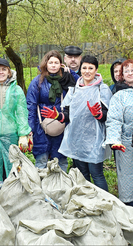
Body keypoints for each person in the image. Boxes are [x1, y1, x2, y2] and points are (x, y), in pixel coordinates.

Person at [43, 55, 112, 191]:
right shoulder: (74, 89)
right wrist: (58, 116)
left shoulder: (102, 90)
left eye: (90, 68)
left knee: (97, 174)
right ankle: (87, 201)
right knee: (82, 174)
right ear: (80, 69)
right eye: (84, 68)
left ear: (96, 70)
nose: (87, 71)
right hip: (77, 140)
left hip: (94, 141)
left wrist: (98, 114)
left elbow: (108, 115)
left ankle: (104, 203)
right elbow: (68, 115)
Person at [105, 59, 133, 214]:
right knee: (129, 179)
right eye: (126, 71)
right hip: (126, 144)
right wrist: (114, 140)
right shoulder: (119, 96)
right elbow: (114, 120)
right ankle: (132, 213)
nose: (130, 73)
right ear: (121, 75)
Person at [26, 50, 76, 172]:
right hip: (41, 127)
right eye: (51, 62)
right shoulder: (37, 82)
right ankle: (41, 187)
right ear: (46, 64)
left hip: (61, 125)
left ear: (61, 64)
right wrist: (30, 129)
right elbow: (31, 106)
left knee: (61, 161)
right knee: (41, 160)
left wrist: (70, 72)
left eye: (56, 62)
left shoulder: (65, 79)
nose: (53, 65)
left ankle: (60, 188)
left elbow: (81, 83)